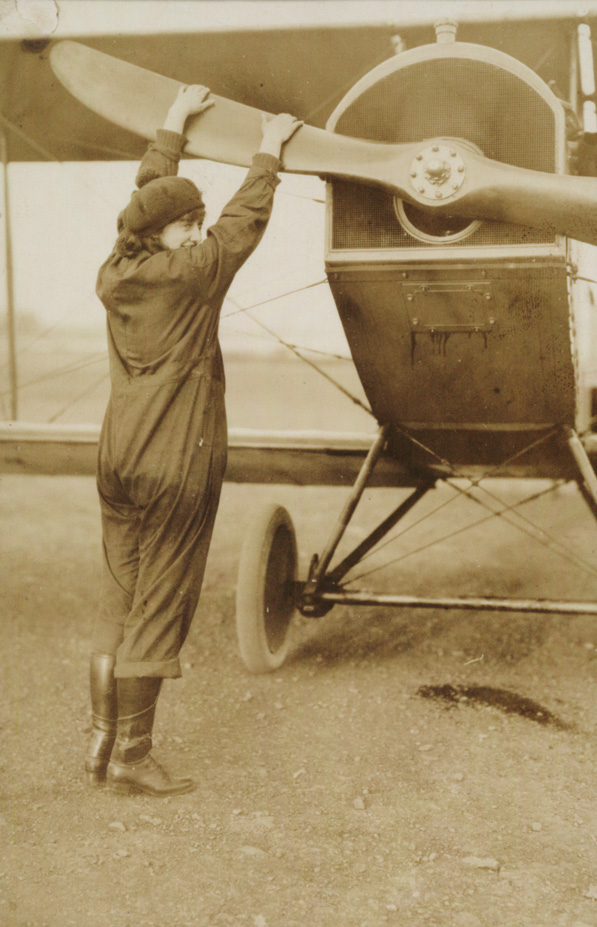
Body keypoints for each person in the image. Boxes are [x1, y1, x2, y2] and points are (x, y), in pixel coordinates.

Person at [85, 84, 302, 797]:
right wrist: (268, 149)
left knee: (121, 595)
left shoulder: (118, 269)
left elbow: (146, 198)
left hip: (118, 458)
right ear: (169, 232)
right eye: (189, 223)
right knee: (161, 602)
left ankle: (99, 739)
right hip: (176, 460)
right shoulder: (193, 272)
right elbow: (243, 223)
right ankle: (131, 755)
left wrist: (172, 125)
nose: (197, 230)